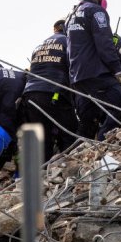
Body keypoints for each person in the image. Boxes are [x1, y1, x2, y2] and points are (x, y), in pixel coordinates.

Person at [65, 0, 121, 139]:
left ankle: (81, 157)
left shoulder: (70, 16)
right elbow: (105, 44)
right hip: (96, 73)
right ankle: (104, 143)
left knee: (88, 121)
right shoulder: (96, 11)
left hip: (78, 78)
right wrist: (117, 71)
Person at [20, 19, 78, 160]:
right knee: (70, 131)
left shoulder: (39, 46)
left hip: (30, 95)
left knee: (44, 138)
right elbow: (74, 68)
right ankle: (70, 165)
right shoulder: (67, 41)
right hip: (54, 93)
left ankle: (45, 174)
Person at [0, 67, 25, 179]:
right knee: (9, 139)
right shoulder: (17, 81)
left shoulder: (14, 86)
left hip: (6, 99)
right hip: (6, 96)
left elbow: (5, 115)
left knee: (8, 139)